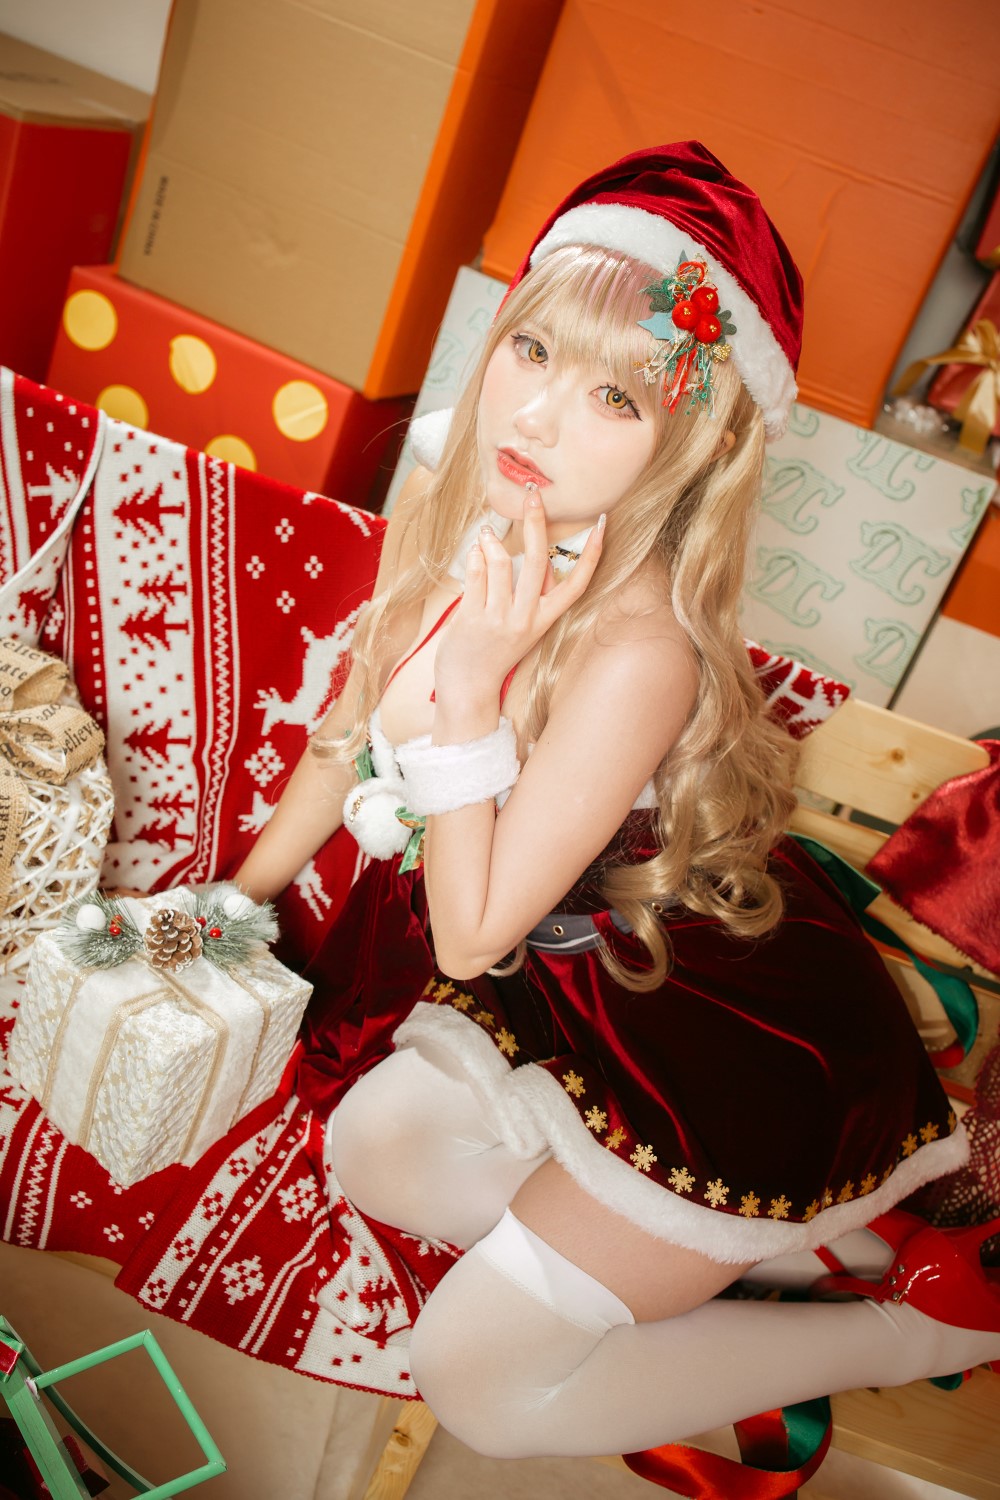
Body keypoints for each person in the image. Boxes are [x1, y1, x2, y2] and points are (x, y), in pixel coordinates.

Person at [233, 143, 1000, 1466]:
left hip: (709, 1042)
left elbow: (470, 933)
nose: (534, 419)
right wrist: (222, 911)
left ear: (697, 440)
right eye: (530, 352)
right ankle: (782, 1248)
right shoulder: (474, 531)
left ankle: (920, 1327)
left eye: (613, 395)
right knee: (376, 1148)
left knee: (476, 1382)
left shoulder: (643, 651)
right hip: (576, 997)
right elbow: (346, 739)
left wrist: (471, 690)